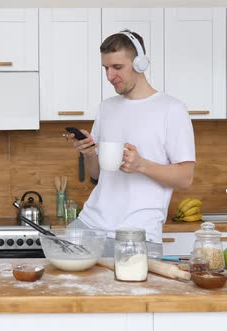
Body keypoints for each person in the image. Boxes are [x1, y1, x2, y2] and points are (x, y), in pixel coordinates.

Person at [67, 30, 196, 258]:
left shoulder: (171, 109)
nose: (109, 75)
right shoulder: (106, 107)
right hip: (90, 225)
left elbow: (186, 177)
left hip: (137, 234)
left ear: (140, 63)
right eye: (105, 68)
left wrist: (141, 165)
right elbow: (97, 174)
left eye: (117, 67)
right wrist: (88, 153)